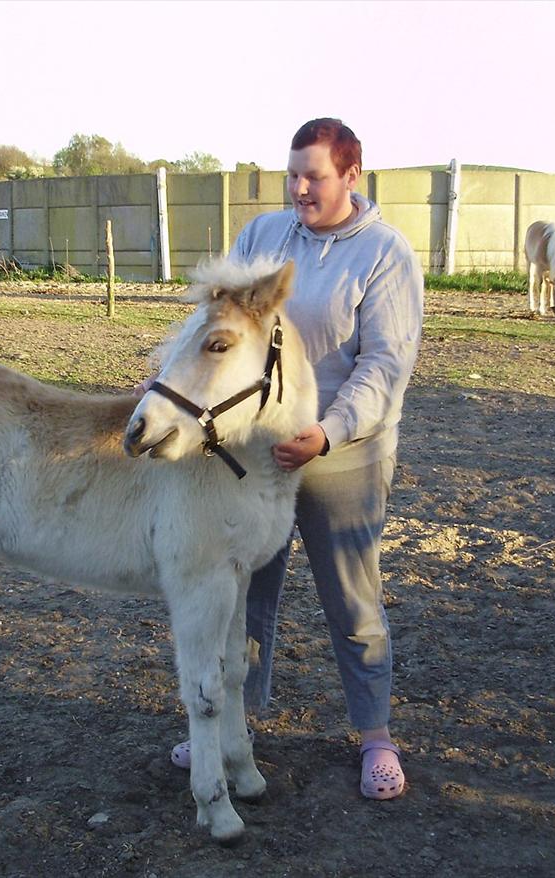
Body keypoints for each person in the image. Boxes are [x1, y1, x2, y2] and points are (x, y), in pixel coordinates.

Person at [168, 118, 424, 800]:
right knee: (241, 598)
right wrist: (172, 381)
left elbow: (385, 365)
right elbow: (214, 324)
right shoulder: (262, 239)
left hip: (344, 455)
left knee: (352, 600)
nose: (300, 187)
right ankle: (230, 730)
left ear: (351, 177)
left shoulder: (384, 254)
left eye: (314, 175)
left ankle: (375, 738)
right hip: (260, 451)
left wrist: (330, 431)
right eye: (293, 174)